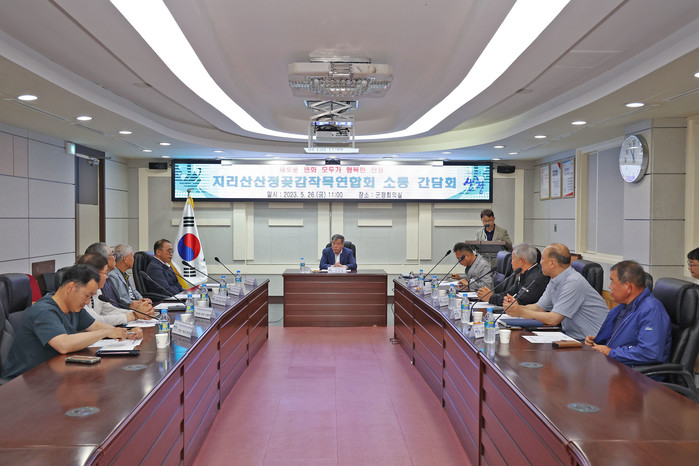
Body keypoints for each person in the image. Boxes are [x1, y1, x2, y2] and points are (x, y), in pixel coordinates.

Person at [1, 264, 143, 380]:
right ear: (70, 288)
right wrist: (105, 332)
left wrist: (126, 333)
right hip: (23, 383)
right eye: (86, 296)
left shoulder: (74, 308)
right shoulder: (44, 311)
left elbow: (96, 326)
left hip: (52, 374)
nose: (87, 302)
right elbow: (63, 344)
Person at [503, 243, 608, 340]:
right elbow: (539, 307)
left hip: (594, 342)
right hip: (573, 338)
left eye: (542, 259)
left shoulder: (573, 282)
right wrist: (515, 307)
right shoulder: (554, 279)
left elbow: (554, 319)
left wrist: (520, 312)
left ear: (552, 263)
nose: (540, 263)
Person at [584, 261, 671, 366]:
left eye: (612, 282)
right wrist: (596, 343)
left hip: (634, 372)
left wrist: (610, 352)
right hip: (614, 364)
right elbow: (621, 339)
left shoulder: (651, 310)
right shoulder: (622, 307)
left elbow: (649, 352)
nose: (610, 287)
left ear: (628, 286)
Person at [77, 253, 154, 325]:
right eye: (106, 273)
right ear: (94, 274)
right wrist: (134, 315)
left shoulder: (98, 291)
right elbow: (96, 321)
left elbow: (110, 310)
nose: (107, 277)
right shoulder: (78, 293)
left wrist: (140, 313)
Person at [87, 242, 153, 315]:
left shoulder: (109, 278)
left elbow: (111, 308)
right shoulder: (108, 277)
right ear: (103, 259)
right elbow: (103, 314)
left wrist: (141, 304)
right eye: (112, 255)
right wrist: (134, 312)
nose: (115, 258)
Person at [477, 243, 549, 306]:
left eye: (512, 259)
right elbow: (509, 294)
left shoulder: (537, 278)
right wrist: (490, 295)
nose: (511, 262)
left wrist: (491, 298)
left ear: (522, 261)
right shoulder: (524, 273)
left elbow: (519, 301)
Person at [109, 244, 153, 309]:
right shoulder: (112, 275)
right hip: (126, 309)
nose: (133, 259)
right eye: (132, 256)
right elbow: (118, 298)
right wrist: (136, 303)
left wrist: (143, 300)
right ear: (125, 259)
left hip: (135, 306)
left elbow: (134, 291)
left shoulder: (125, 273)